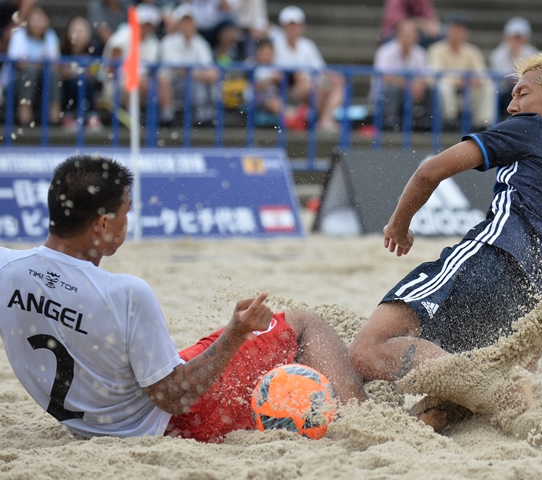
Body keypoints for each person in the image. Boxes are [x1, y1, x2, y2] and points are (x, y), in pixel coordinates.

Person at [0, 155, 366, 443]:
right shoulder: (125, 293)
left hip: (89, 423)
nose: (128, 223)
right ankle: (365, 422)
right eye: (126, 214)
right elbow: (175, 397)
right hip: (176, 422)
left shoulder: (7, 269)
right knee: (304, 325)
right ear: (102, 224)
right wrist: (235, 333)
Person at [348, 51, 542, 430]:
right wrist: (528, 358)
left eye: (521, 93)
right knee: (441, 399)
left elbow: (429, 172)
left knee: (365, 349)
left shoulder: (534, 127)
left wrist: (398, 226)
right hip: (535, 304)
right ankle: (496, 394)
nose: (511, 104)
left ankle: (492, 389)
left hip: (490, 263)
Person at [273, 5, 344, 134]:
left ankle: (325, 120)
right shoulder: (275, 46)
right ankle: (325, 121)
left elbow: (321, 69)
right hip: (288, 89)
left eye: (296, 25)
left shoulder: (307, 45)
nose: (293, 28)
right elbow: (276, 74)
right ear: (283, 26)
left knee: (338, 84)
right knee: (311, 86)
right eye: (290, 25)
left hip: (310, 86)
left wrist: (333, 78)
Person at [427, 13, 496, 131]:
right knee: (444, 86)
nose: (457, 32)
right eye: (454, 29)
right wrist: (458, 80)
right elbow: (434, 76)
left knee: (488, 86)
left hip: (467, 92)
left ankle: (482, 123)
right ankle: (449, 120)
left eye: (460, 30)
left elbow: (482, 74)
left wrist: (474, 80)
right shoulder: (436, 50)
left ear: (466, 33)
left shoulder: (473, 51)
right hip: (446, 92)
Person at [157, 4, 219, 125]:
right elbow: (179, 70)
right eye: (184, 22)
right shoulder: (168, 42)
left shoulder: (200, 43)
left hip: (193, 82)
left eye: (190, 22)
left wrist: (200, 74)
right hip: (174, 84)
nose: (187, 26)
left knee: (210, 78)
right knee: (164, 77)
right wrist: (199, 74)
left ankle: (205, 116)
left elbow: (210, 70)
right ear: (178, 24)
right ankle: (168, 115)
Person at [3, 6, 61, 126]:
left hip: (42, 80)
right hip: (16, 81)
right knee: (30, 71)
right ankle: (24, 111)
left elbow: (55, 65)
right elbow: (18, 64)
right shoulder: (19, 34)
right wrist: (40, 63)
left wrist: (35, 63)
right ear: (27, 21)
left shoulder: (51, 36)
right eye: (34, 19)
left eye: (41, 19)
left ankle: (54, 113)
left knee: (52, 73)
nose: (38, 23)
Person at [372, 19, 432, 131]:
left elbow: (424, 76)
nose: (409, 37)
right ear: (397, 35)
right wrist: (408, 84)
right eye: (406, 34)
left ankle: (427, 120)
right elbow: (385, 77)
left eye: (412, 34)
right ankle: (390, 120)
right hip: (387, 94)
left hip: (411, 93)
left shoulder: (420, 53)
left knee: (431, 89)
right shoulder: (385, 51)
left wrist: (419, 84)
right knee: (393, 89)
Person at [100, 3, 161, 112]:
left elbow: (150, 69)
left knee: (159, 82)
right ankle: (131, 118)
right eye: (144, 24)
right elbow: (111, 68)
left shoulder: (153, 42)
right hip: (116, 83)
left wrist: (144, 80)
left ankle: (165, 117)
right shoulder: (124, 35)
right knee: (131, 84)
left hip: (141, 83)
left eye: (149, 24)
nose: (147, 28)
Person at [59, 16, 103, 131]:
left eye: (82, 31)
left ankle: (92, 115)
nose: (79, 35)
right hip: (67, 87)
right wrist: (74, 71)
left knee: (83, 81)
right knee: (75, 81)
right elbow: (59, 71)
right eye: (75, 30)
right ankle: (68, 115)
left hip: (88, 85)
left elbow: (95, 71)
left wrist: (82, 71)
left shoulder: (95, 49)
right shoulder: (62, 48)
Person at [490, 17, 537, 120]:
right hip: (503, 92)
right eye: (514, 37)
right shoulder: (498, 54)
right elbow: (501, 76)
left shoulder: (533, 53)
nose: (517, 41)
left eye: (519, 37)